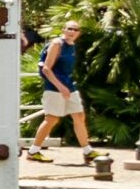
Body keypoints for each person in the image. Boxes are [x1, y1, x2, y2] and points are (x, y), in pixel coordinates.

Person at [26, 20, 92, 163]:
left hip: (68, 86)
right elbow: (46, 69)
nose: (72, 32)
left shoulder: (72, 46)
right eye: (69, 28)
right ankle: (33, 152)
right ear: (63, 29)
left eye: (75, 29)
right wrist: (60, 87)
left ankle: (88, 152)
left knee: (79, 116)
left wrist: (66, 86)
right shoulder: (57, 44)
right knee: (51, 119)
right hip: (54, 87)